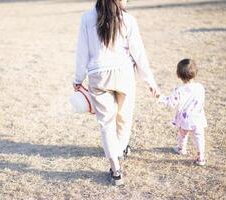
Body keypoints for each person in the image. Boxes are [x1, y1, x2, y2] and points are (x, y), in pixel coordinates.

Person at [73, 0, 159, 185]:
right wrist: (150, 81)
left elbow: (82, 52)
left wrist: (78, 79)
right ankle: (120, 149)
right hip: (124, 75)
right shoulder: (128, 19)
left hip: (98, 76)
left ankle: (115, 169)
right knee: (124, 119)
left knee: (106, 124)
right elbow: (139, 53)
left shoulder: (87, 18)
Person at [158, 59, 207, 166]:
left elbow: (171, 103)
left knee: (182, 135)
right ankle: (201, 157)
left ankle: (181, 149)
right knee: (199, 137)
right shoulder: (200, 87)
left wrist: (160, 97)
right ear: (195, 73)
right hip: (198, 118)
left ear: (178, 75)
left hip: (185, 119)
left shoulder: (179, 90)